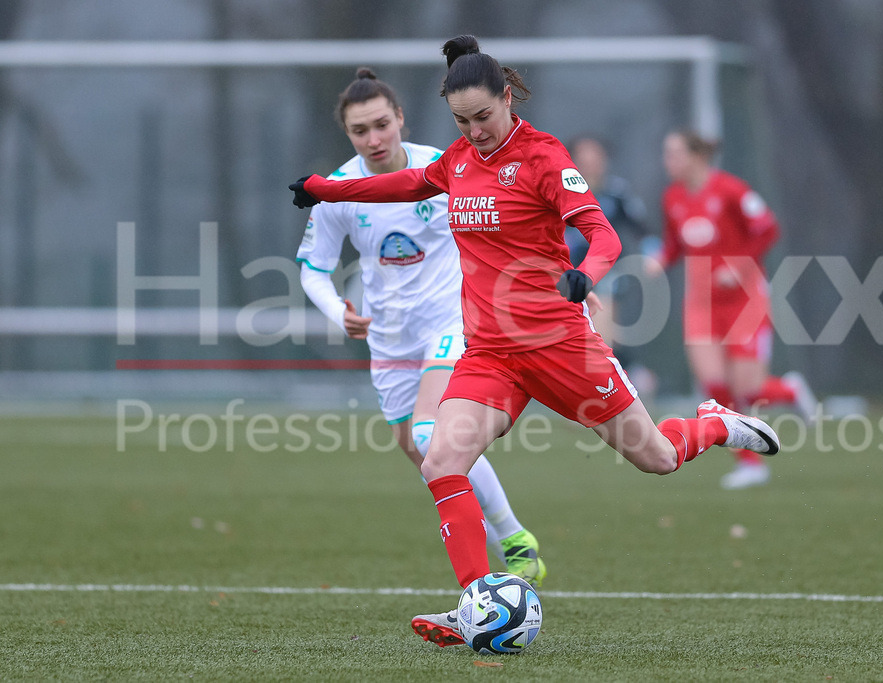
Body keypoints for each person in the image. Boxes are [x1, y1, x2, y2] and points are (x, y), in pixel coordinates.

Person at [289, 36, 781, 648]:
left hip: (557, 345)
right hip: (490, 354)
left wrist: (586, 276)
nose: (474, 132)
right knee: (440, 459)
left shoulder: (543, 156)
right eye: (461, 121)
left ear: (508, 98)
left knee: (655, 457)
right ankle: (475, 603)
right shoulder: (458, 160)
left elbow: (602, 233)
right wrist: (326, 189)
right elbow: (407, 184)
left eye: (483, 117)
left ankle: (715, 423)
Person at [293, 67, 546, 587]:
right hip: (389, 339)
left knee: (434, 435)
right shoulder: (341, 191)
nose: (374, 138)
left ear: (400, 118)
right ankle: (512, 537)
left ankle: (508, 552)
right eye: (360, 131)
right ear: (348, 134)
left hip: (452, 321)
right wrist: (337, 311)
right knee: (423, 453)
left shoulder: (443, 167)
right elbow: (313, 268)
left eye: (381, 124)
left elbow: (506, 217)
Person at [650, 129, 817, 490]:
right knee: (714, 385)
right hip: (701, 304)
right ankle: (750, 464)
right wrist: (660, 259)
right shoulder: (672, 197)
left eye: (675, 153)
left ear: (697, 156)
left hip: (744, 300)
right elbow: (675, 243)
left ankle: (790, 392)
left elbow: (767, 229)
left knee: (748, 389)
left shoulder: (730, 190)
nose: (668, 161)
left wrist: (739, 266)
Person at [564, 136, 656, 396]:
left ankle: (606, 388)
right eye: (583, 157)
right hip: (566, 272)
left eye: (595, 156)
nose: (590, 162)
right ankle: (630, 373)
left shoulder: (617, 193)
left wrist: (654, 252)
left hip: (605, 273)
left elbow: (640, 226)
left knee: (599, 333)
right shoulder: (562, 190)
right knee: (577, 332)